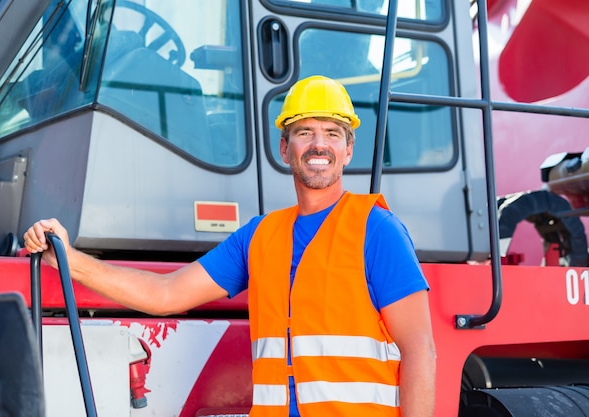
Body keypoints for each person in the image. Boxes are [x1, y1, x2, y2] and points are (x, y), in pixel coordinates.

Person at [24, 75, 436, 417]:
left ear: (348, 150)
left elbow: (420, 351)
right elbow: (166, 294)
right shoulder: (259, 237)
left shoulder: (376, 230)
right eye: (304, 132)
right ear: (283, 148)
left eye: (332, 133)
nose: (318, 145)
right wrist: (69, 259)